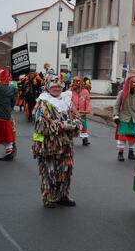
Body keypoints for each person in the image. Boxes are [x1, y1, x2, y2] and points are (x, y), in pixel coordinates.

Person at [31, 74, 81, 208]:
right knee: (49, 171)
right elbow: (41, 124)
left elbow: (76, 116)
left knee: (65, 169)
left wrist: (76, 124)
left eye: (59, 86)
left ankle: (62, 195)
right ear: (48, 87)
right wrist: (62, 125)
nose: (57, 88)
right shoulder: (43, 102)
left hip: (65, 143)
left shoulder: (67, 100)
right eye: (54, 86)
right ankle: (48, 197)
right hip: (48, 145)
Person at [113, 76, 135, 161]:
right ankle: (120, 154)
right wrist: (116, 115)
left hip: (134, 119)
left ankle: (131, 153)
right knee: (122, 137)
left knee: (132, 137)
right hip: (124, 118)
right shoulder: (122, 93)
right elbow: (117, 105)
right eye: (134, 84)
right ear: (130, 84)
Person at [0, 68, 16, 161]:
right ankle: (9, 153)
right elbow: (13, 102)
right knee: (6, 135)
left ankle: (9, 153)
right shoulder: (10, 88)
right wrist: (8, 109)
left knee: (1, 134)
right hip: (6, 115)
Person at [71, 77, 91, 146]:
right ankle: (70, 140)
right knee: (71, 126)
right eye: (74, 81)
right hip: (72, 113)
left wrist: (87, 109)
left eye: (77, 82)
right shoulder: (70, 91)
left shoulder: (85, 92)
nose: (76, 83)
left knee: (83, 126)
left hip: (82, 113)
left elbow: (87, 102)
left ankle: (85, 139)